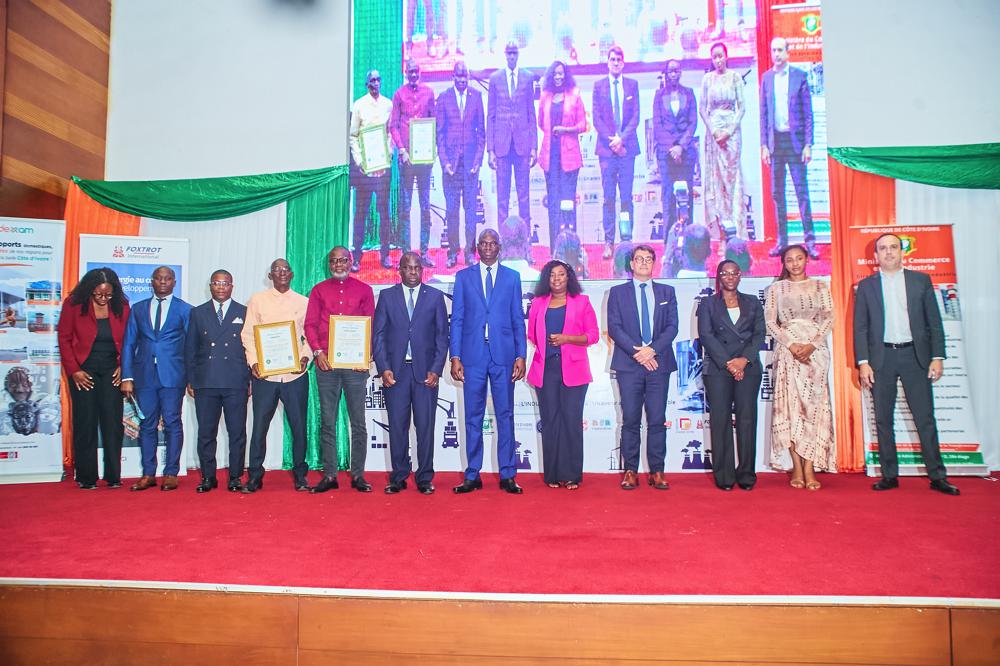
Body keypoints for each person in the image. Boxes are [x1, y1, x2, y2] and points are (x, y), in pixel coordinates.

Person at [853, 233, 959, 495]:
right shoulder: (866, 287)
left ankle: (937, 476)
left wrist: (937, 357)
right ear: (875, 256)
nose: (888, 252)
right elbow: (860, 327)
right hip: (881, 359)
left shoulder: (920, 281)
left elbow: (934, 322)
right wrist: (863, 362)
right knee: (883, 419)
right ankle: (889, 475)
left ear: (902, 252)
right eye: (883, 248)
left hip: (915, 356)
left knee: (925, 418)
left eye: (893, 247)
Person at [450, 228, 527, 494]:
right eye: (483, 243)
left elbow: (517, 319)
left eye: (492, 243)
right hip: (473, 356)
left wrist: (520, 355)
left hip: (503, 355)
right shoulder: (463, 277)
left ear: (499, 247)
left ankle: (508, 474)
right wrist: (455, 356)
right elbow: (457, 319)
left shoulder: (512, 278)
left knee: (505, 415)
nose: (487, 247)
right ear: (477, 248)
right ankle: (472, 474)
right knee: (473, 416)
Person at [372, 252, 449, 494]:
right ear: (400, 270)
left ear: (422, 270)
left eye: (417, 267)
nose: (413, 272)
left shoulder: (435, 296)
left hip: (425, 374)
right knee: (397, 427)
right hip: (396, 373)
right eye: (408, 267)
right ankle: (398, 476)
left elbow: (442, 337)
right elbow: (378, 336)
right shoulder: (387, 296)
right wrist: (384, 368)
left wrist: (436, 369)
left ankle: (424, 477)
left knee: (425, 427)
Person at [607, 245, 678, 490]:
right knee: (630, 420)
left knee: (657, 419)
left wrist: (652, 350)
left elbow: (672, 327)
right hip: (629, 365)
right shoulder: (617, 293)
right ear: (631, 264)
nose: (644, 262)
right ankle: (630, 470)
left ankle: (657, 470)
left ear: (654, 263)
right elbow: (614, 327)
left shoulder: (667, 291)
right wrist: (638, 352)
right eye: (639, 259)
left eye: (648, 259)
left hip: (659, 363)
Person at [764, 246, 835, 490]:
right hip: (787, 352)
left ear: (806, 260)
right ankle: (796, 466)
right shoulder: (776, 289)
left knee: (814, 409)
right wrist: (791, 344)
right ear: (783, 263)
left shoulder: (820, 286)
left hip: (816, 352)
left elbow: (829, 318)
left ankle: (810, 467)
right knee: (791, 409)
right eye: (789, 260)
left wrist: (813, 345)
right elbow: (770, 322)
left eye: (799, 258)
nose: (794, 263)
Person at [306, 247, 376, 494]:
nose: (338, 265)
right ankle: (329, 474)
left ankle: (358, 475)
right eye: (334, 261)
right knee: (328, 421)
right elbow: (310, 324)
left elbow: (371, 325)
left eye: (343, 260)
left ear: (351, 261)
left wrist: (366, 355)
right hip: (327, 364)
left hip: (355, 366)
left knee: (358, 422)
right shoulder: (318, 290)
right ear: (329, 264)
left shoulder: (364, 290)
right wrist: (318, 352)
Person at [240, 259, 312, 493]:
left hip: (294, 376)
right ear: (270, 275)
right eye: (276, 270)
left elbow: (310, 336)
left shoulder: (303, 302)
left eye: (285, 269)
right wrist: (254, 362)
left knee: (299, 427)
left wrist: (305, 358)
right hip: (266, 376)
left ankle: (300, 475)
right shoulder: (257, 300)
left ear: (292, 274)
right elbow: (248, 335)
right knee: (259, 427)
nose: (281, 273)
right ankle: (255, 475)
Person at [526, 261, 598, 489]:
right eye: (552, 275)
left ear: (569, 278)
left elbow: (593, 335)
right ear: (546, 279)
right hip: (545, 369)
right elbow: (532, 335)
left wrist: (567, 339)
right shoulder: (538, 303)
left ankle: (572, 475)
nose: (556, 279)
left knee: (571, 421)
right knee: (550, 421)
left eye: (561, 274)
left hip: (574, 370)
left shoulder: (582, 302)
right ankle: (553, 475)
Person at [120, 266, 191, 492]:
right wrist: (127, 376)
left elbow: (191, 346)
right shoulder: (138, 309)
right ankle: (148, 474)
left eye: (167, 279)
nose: (162, 282)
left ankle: (171, 473)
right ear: (152, 281)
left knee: (172, 423)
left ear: (174, 282)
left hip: (173, 376)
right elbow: (129, 343)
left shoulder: (185, 309)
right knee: (147, 424)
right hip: (144, 376)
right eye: (158, 278)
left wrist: (192, 378)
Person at [58, 268, 130, 490]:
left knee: (112, 424)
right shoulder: (73, 305)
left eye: (108, 294)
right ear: (89, 290)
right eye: (98, 294)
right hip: (83, 372)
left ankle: (113, 476)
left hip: (111, 371)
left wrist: (123, 366)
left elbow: (129, 340)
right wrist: (74, 370)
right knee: (85, 422)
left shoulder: (121, 306)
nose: (103, 298)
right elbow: (64, 338)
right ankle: (86, 476)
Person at [697, 260, 765, 491]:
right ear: (718, 276)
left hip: (748, 367)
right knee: (720, 421)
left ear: (740, 275)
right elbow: (706, 335)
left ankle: (746, 475)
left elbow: (759, 334)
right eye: (725, 273)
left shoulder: (753, 302)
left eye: (734, 273)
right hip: (718, 369)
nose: (729, 277)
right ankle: (724, 476)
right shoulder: (708, 303)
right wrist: (729, 363)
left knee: (747, 420)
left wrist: (743, 360)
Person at [184, 270, 251, 493]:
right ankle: (208, 477)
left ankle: (235, 477)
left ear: (232, 286)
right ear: (210, 286)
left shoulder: (244, 311)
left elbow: (251, 348)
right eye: (216, 283)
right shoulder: (197, 313)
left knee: (237, 432)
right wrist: (191, 379)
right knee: (206, 432)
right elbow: (190, 349)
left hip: (235, 381)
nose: (221, 287)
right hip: (206, 381)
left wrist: (250, 379)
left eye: (225, 283)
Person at [760, 37, 818, 259]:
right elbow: (764, 114)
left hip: (795, 143)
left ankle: (810, 241)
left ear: (787, 52)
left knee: (801, 192)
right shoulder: (767, 78)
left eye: (780, 50)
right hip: (775, 143)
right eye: (773, 50)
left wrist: (808, 145)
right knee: (778, 194)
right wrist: (764, 145)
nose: (776, 54)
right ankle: (781, 241)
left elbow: (808, 114)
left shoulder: (799, 77)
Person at [436, 61, 486, 268]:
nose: (462, 80)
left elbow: (481, 134)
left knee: (471, 211)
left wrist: (477, 162)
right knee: (452, 211)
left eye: (465, 76)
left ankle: (470, 253)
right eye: (458, 76)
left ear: (468, 78)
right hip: (451, 167)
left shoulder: (477, 96)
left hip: (470, 167)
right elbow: (439, 134)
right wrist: (445, 163)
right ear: (453, 77)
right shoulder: (444, 98)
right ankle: (452, 253)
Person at [593, 46, 641, 260]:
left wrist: (621, 139)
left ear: (623, 62)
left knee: (626, 197)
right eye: (612, 59)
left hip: (627, 149)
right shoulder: (599, 86)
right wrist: (613, 141)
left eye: (618, 59)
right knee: (609, 198)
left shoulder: (632, 85)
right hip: (607, 150)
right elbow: (596, 118)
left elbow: (636, 117)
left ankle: (626, 241)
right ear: (608, 62)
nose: (615, 62)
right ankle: (609, 241)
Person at [487, 42, 537, 242]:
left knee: (524, 197)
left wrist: (534, 147)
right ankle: (503, 242)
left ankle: (525, 242)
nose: (511, 57)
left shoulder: (528, 77)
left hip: (522, 145)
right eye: (508, 53)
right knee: (503, 198)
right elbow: (491, 116)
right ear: (504, 55)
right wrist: (490, 150)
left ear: (518, 55)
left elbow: (531, 114)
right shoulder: (495, 79)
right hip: (502, 146)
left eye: (514, 53)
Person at [700, 42, 746, 255]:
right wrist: (713, 131)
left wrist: (728, 131)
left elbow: (741, 107)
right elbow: (703, 109)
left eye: (721, 56)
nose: (718, 60)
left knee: (731, 182)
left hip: (732, 134)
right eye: (714, 57)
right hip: (713, 136)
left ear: (726, 56)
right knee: (716, 184)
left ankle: (735, 235)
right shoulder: (707, 79)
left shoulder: (735, 78)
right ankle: (721, 236)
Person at [390, 59, 437, 267]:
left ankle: (424, 253)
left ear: (420, 72)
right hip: (406, 159)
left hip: (424, 160)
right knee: (405, 208)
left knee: (425, 207)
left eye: (416, 71)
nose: (414, 74)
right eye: (410, 71)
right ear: (406, 73)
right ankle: (407, 253)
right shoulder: (399, 94)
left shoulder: (429, 93)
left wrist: (433, 148)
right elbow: (393, 126)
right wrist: (402, 149)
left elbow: (434, 122)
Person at [538, 60, 587, 252]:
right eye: (555, 74)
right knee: (553, 203)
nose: (558, 77)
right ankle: (554, 248)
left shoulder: (575, 94)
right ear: (551, 76)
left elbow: (583, 124)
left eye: (561, 73)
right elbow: (541, 122)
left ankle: (570, 248)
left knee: (568, 202)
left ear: (565, 75)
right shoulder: (545, 95)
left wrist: (565, 130)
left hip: (570, 157)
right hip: (550, 156)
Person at [350, 68, 395, 271]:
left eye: (378, 80)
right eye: (372, 81)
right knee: (361, 213)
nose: (375, 83)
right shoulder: (359, 105)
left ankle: (385, 255)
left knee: (384, 213)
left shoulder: (388, 104)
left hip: (383, 168)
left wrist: (388, 155)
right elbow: (353, 136)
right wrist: (360, 162)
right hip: (365, 171)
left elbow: (390, 133)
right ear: (367, 84)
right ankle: (356, 257)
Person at [653, 60, 698, 237]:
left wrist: (681, 146)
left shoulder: (689, 93)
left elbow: (693, 123)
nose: (673, 74)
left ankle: (689, 239)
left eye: (676, 71)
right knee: (668, 198)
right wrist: (673, 147)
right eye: (670, 71)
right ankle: (669, 240)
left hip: (686, 153)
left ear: (680, 73)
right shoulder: (659, 95)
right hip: (666, 154)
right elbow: (657, 125)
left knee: (686, 198)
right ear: (666, 73)